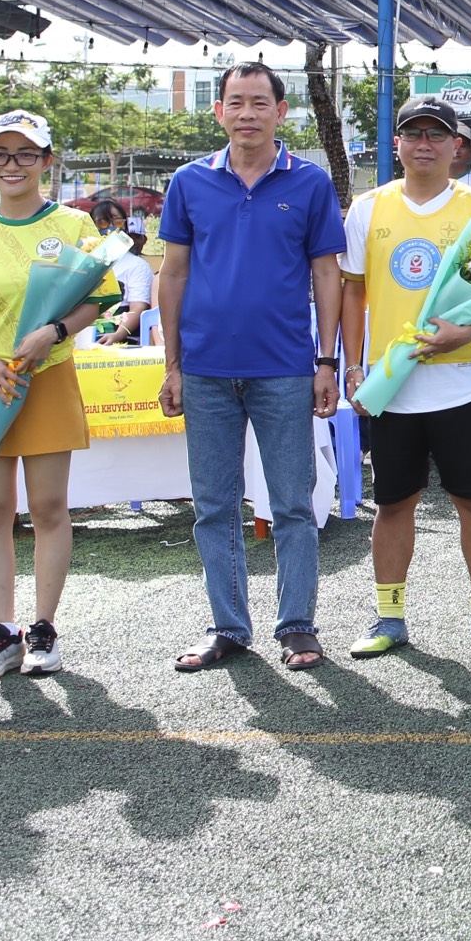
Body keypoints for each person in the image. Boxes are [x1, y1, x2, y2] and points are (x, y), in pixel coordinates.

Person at [155, 62, 346, 674]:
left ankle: (297, 625)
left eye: (259, 102)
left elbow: (326, 274)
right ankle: (228, 627)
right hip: (205, 371)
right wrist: (173, 365)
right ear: (218, 112)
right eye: (235, 102)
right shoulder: (189, 181)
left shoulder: (310, 182)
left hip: (285, 369)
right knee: (214, 506)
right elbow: (173, 274)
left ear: (280, 111)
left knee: (292, 504)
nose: (247, 113)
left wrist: (326, 360)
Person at [0, 110, 119, 680]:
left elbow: (99, 297)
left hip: (47, 376)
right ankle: (3, 631)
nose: (12, 166)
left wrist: (53, 332)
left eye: (26, 154)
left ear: (46, 161)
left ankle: (43, 628)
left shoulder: (75, 225)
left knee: (48, 508)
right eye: (0, 154)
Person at [339, 96, 471, 658]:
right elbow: (353, 291)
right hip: (392, 386)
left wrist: (466, 331)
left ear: (456, 145)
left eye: (437, 135)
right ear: (398, 144)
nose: (425, 144)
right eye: (414, 134)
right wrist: (355, 366)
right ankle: (389, 617)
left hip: (462, 382)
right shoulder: (368, 208)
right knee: (393, 505)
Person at [88, 198, 156, 345]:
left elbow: (139, 306)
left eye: (117, 222)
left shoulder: (137, 266)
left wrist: (118, 335)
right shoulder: (85, 264)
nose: (110, 228)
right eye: (102, 222)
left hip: (123, 343)